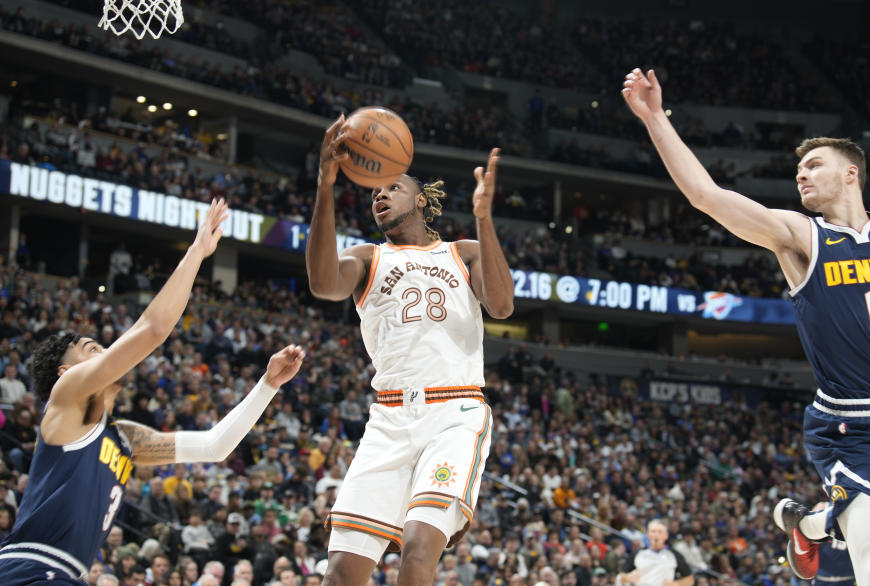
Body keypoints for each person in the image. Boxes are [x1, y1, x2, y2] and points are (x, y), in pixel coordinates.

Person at [621, 68, 870, 585]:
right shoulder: (801, 237)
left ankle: (809, 522)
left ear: (851, 174)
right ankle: (832, 517)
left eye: (814, 165)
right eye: (798, 168)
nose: (801, 174)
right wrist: (654, 119)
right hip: (847, 428)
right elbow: (706, 196)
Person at [0, 199, 307, 585]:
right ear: (66, 370)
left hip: (67, 574)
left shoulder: (126, 437)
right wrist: (197, 251)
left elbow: (215, 446)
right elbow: (153, 329)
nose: (106, 352)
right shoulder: (65, 394)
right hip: (29, 566)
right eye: (91, 349)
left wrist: (268, 385)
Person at [305, 115, 514, 586]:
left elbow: (501, 306)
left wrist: (484, 219)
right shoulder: (366, 258)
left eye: (393, 188)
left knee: (419, 549)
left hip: (454, 412)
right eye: (375, 191)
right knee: (339, 571)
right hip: (389, 420)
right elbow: (321, 283)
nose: (380, 194)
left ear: (421, 200)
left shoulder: (463, 252)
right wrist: (325, 183)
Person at [615, 519, 693, 586]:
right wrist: (628, 578)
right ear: (648, 534)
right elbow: (621, 577)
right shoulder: (638, 554)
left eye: (660, 532)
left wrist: (676, 584)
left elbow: (690, 579)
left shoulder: (674, 555)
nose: (656, 535)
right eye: (653, 531)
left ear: (666, 535)